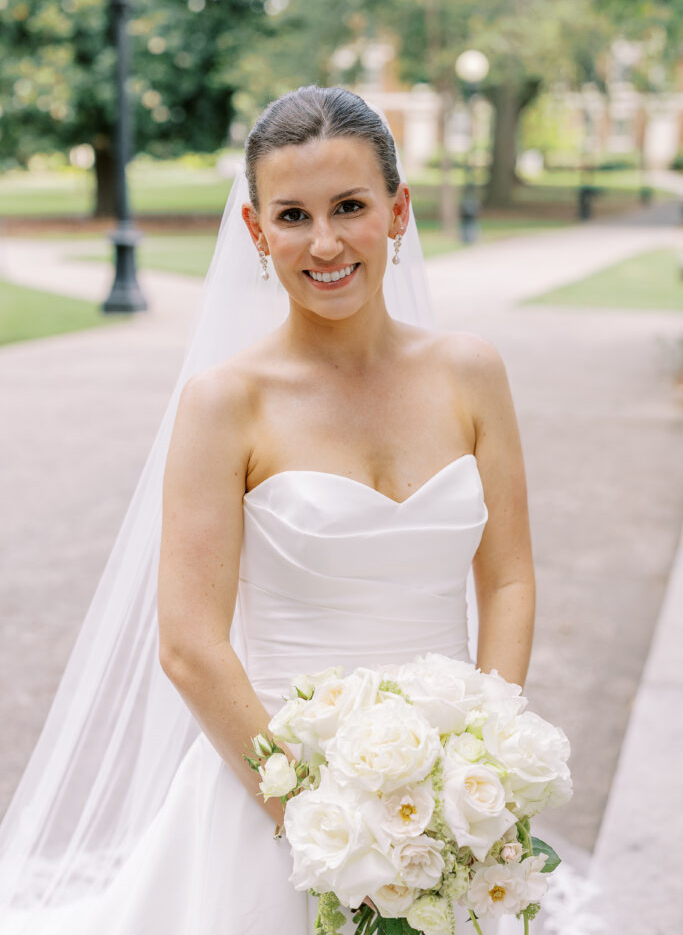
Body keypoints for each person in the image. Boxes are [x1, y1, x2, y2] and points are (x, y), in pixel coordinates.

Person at [0, 86, 534, 934]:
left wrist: (486, 764)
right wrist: (327, 822)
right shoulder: (226, 403)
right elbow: (188, 645)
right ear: (255, 231)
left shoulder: (472, 373)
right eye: (291, 215)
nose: (323, 243)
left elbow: (505, 581)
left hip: (449, 810)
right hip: (280, 800)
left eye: (350, 207)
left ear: (397, 213)